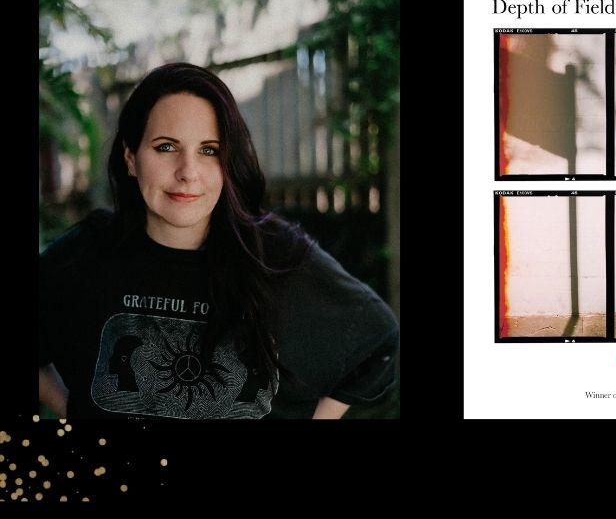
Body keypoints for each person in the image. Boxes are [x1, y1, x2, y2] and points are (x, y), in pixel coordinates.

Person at [39, 62, 399, 419]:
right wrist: (70, 410)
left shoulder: (275, 254)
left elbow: (379, 343)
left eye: (209, 150)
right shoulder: (88, 253)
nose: (188, 172)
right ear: (131, 158)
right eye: (166, 147)